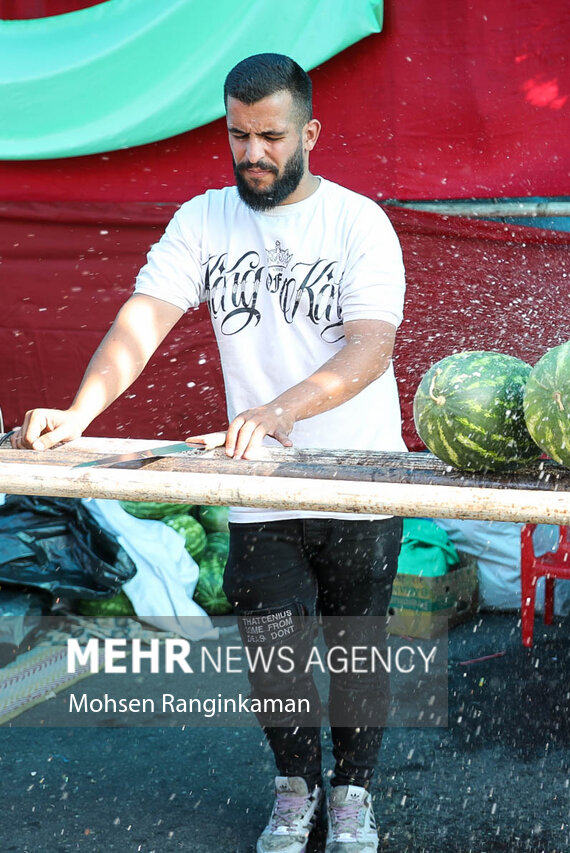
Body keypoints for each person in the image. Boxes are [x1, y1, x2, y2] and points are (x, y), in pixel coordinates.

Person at [17, 53, 406, 853]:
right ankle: (296, 789)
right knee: (274, 655)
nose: (253, 153)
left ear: (310, 132)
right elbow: (142, 320)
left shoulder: (358, 222)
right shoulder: (203, 221)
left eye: (270, 136)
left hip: (361, 477)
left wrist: (275, 411)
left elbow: (369, 350)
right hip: (257, 483)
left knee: (355, 649)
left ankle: (356, 793)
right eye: (238, 135)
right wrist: (80, 409)